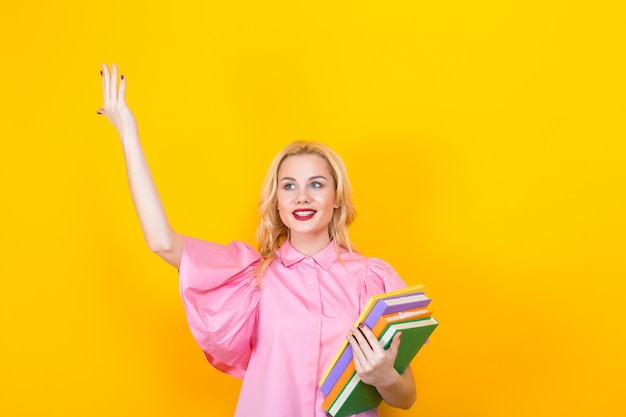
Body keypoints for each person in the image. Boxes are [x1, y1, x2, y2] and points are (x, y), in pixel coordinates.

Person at [97, 63, 417, 416]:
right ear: (277, 202)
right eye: (289, 186)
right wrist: (128, 133)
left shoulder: (370, 279)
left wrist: (385, 375)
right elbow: (161, 242)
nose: (302, 197)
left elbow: (405, 397)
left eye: (316, 184)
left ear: (337, 197)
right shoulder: (251, 277)